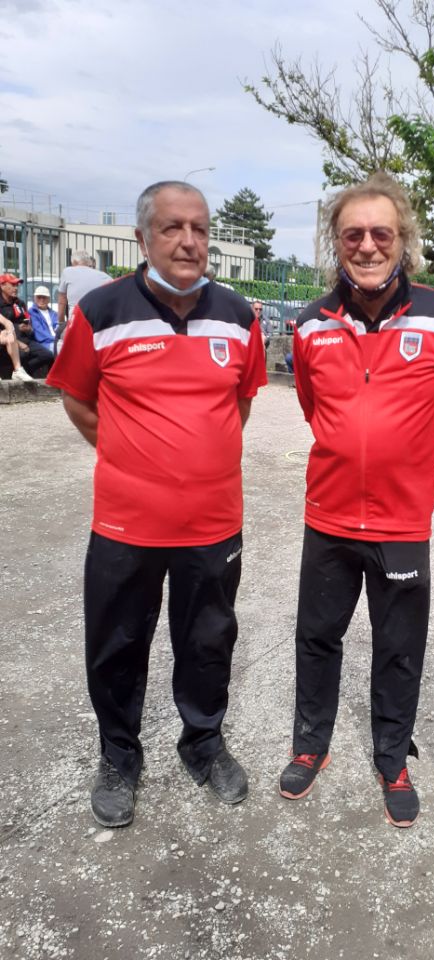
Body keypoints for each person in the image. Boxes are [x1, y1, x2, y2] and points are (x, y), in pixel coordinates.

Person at [47, 181, 267, 828]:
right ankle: (119, 757)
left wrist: (195, 460)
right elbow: (77, 397)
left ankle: (203, 744)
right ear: (143, 238)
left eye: (199, 228)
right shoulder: (103, 311)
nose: (189, 241)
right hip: (126, 522)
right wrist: (134, 456)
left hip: (213, 522)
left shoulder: (239, 316)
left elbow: (240, 403)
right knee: (116, 645)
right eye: (173, 227)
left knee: (208, 642)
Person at [278, 172, 434, 827]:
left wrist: (405, 465)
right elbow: (314, 407)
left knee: (398, 647)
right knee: (317, 637)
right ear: (336, 242)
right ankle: (311, 744)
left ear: (402, 240)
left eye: (380, 233)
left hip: (400, 521)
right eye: (353, 234)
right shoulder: (310, 324)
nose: (367, 246)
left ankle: (392, 757)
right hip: (328, 516)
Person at [0, 273, 53, 378]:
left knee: (47, 355)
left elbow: (27, 321)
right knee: (22, 354)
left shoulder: (20, 303)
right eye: (13, 285)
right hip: (8, 341)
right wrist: (18, 342)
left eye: (17, 285)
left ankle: (23, 371)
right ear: (2, 286)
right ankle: (16, 372)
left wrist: (28, 329)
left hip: (24, 338)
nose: (16, 288)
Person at [56, 251, 112, 348]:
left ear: (74, 262)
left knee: (60, 338)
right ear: (89, 263)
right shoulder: (105, 276)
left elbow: (62, 300)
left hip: (76, 322)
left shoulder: (68, 271)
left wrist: (61, 322)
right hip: (98, 324)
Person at [28, 285, 59, 352]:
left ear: (49, 299)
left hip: (56, 341)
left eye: (44, 297)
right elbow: (40, 333)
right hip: (44, 344)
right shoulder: (32, 312)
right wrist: (56, 340)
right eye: (39, 297)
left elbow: (58, 327)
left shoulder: (53, 313)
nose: (41, 300)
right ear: (35, 298)